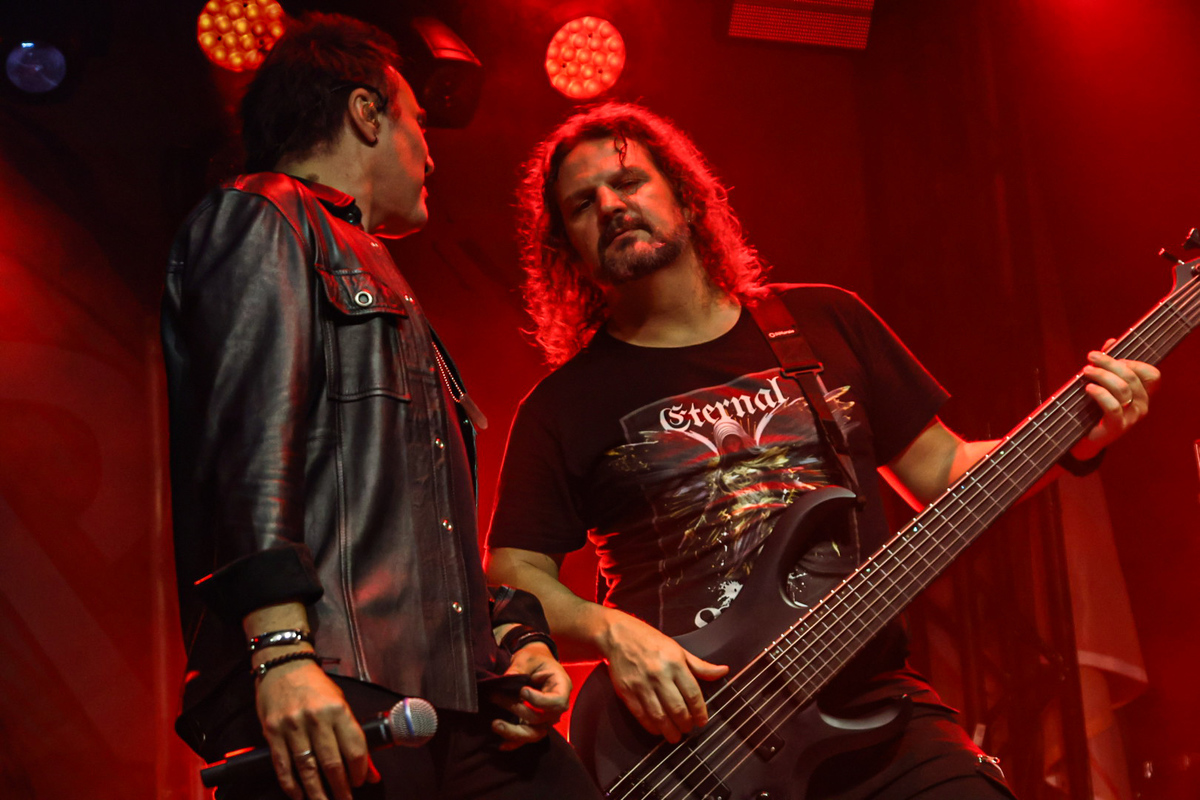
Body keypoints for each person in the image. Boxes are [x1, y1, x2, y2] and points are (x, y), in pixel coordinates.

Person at [485, 102, 1160, 799]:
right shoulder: (564, 405)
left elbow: (944, 471)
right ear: (567, 246)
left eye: (628, 182)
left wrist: (1077, 437)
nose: (610, 205)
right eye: (582, 203)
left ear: (684, 196)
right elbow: (511, 572)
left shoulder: (824, 321)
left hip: (870, 700)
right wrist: (610, 633)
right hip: (689, 743)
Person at [162, 14, 601, 800]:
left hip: (448, 695)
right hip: (335, 678)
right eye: (418, 122)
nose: (430, 154)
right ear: (367, 113)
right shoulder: (266, 213)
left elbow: (415, 531)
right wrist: (282, 651)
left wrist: (512, 638)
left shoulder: (379, 269)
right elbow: (246, 447)